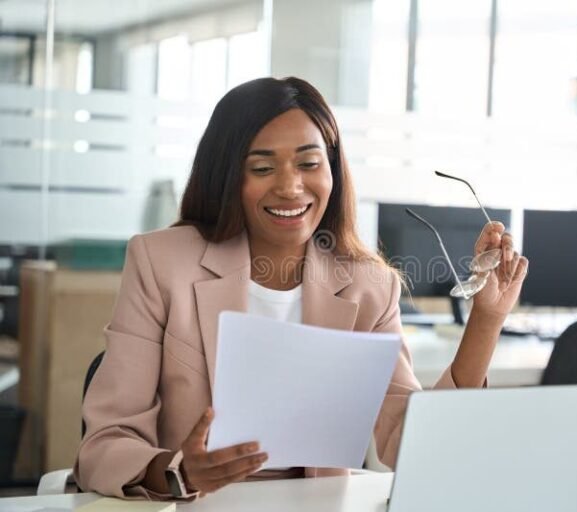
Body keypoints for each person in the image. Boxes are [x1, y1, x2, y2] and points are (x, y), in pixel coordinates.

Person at [74, 77, 528, 500]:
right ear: (229, 176)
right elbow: (105, 444)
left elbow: (407, 444)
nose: (290, 187)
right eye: (263, 167)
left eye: (309, 163)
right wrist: (179, 471)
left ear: (331, 170)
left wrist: (486, 320)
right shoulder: (161, 263)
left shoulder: (369, 286)